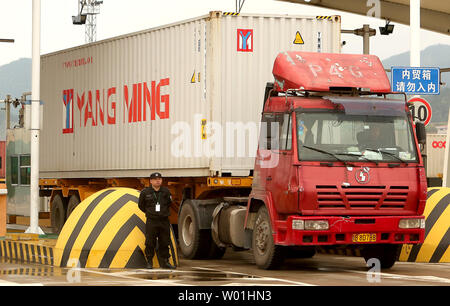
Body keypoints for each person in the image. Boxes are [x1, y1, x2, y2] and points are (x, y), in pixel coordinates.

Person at [138, 172, 176, 269]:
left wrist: (162, 213)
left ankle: (166, 262)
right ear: (151, 181)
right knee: (150, 242)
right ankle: (149, 262)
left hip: (164, 220)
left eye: (159, 178)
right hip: (152, 221)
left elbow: (169, 203)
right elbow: (141, 206)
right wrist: (151, 212)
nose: (158, 180)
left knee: (165, 241)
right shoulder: (145, 192)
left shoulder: (166, 191)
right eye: (155, 179)